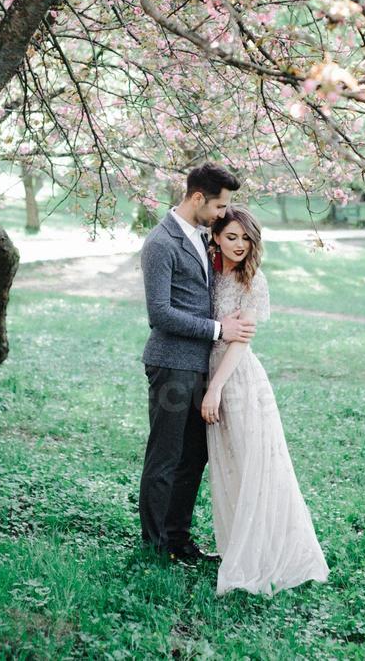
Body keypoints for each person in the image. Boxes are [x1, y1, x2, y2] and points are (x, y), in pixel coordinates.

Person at [202, 206, 330, 596]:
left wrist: (215, 388)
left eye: (246, 238)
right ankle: (235, 545)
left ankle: (265, 553)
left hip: (237, 379)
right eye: (231, 237)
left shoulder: (252, 281)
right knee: (229, 466)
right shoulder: (207, 273)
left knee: (256, 465)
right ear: (217, 237)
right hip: (210, 372)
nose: (240, 245)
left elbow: (240, 343)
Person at [138, 163, 257, 564]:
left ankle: (178, 539)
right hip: (171, 365)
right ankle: (154, 546)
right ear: (196, 198)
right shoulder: (160, 243)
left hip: (200, 366)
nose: (224, 214)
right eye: (220, 205)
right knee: (165, 456)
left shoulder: (203, 237)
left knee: (194, 456)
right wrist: (217, 330)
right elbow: (160, 314)